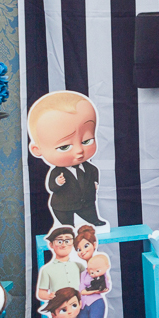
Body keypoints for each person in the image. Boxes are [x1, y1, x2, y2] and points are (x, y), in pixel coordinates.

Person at [28, 91, 106, 227]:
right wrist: (57, 183)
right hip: (63, 206)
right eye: (64, 147)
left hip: (86, 202)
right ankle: (67, 226)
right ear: (37, 150)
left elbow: (94, 172)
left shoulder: (89, 167)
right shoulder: (57, 173)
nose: (79, 150)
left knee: (90, 212)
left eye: (86, 141)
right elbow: (52, 187)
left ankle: (94, 220)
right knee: (66, 224)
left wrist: (95, 182)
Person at [37, 227, 84, 318]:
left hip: (77, 307)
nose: (64, 244)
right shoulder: (47, 269)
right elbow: (41, 293)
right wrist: (50, 296)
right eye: (59, 241)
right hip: (59, 309)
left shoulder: (78, 266)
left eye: (68, 240)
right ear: (51, 245)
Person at [75, 225, 109, 318]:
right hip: (83, 307)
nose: (82, 251)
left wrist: (93, 289)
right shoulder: (83, 274)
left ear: (94, 245)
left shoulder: (100, 267)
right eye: (79, 249)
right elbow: (81, 291)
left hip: (95, 304)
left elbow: (105, 287)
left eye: (86, 246)